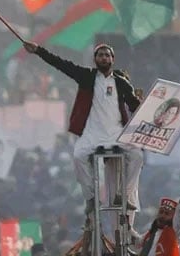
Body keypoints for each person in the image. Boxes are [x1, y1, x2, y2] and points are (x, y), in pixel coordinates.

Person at [22, 41, 143, 218]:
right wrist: (39, 51)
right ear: (95, 59)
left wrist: (148, 108)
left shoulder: (122, 83)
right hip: (92, 133)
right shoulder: (86, 76)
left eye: (107, 55)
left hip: (116, 133)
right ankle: (91, 198)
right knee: (78, 156)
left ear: (113, 59)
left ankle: (125, 195)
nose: (104, 57)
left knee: (137, 156)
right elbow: (61, 64)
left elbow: (135, 106)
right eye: (100, 55)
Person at [131, 168, 180, 256]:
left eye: (167, 214)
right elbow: (138, 242)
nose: (162, 216)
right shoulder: (152, 232)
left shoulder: (175, 231)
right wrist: (128, 228)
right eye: (161, 212)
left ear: (173, 218)